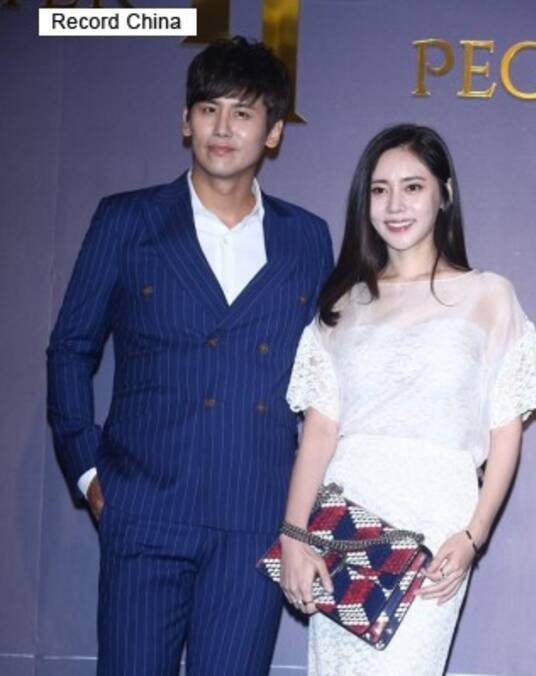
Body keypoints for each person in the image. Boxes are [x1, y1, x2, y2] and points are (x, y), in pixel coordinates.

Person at [47, 36, 333, 675]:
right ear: (186, 121)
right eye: (208, 109)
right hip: (144, 509)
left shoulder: (307, 239)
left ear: (273, 132)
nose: (222, 128)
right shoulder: (127, 221)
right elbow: (70, 348)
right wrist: (89, 475)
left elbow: (328, 383)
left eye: (243, 112)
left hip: (255, 517)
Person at [278, 123, 536, 675]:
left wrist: (474, 534)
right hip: (346, 526)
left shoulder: (489, 296)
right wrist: (293, 537)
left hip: (436, 524)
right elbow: (319, 432)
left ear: (444, 194)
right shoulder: (342, 304)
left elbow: (505, 430)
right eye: (380, 190)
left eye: (413, 187)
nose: (395, 205)